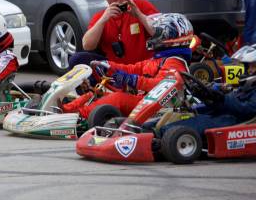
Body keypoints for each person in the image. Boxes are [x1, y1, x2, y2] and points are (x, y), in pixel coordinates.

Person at [62, 13, 193, 120]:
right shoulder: (158, 60)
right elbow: (132, 68)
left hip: (159, 108)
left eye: (157, 34)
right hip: (145, 101)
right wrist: (108, 66)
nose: (153, 37)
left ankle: (79, 117)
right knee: (96, 93)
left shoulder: (174, 62)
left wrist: (132, 80)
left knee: (118, 98)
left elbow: (163, 87)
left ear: (171, 37)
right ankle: (66, 110)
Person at [69, 0, 159, 69]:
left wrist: (139, 15)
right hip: (115, 71)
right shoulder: (100, 16)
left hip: (144, 68)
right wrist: (103, 20)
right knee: (77, 59)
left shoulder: (142, 6)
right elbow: (87, 46)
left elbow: (161, 34)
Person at [159, 44, 256, 137]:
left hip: (235, 119)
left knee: (201, 121)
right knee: (189, 112)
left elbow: (248, 110)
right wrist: (208, 95)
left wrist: (223, 98)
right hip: (225, 112)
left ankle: (164, 133)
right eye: (249, 66)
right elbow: (232, 99)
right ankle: (156, 128)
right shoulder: (247, 87)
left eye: (253, 66)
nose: (250, 70)